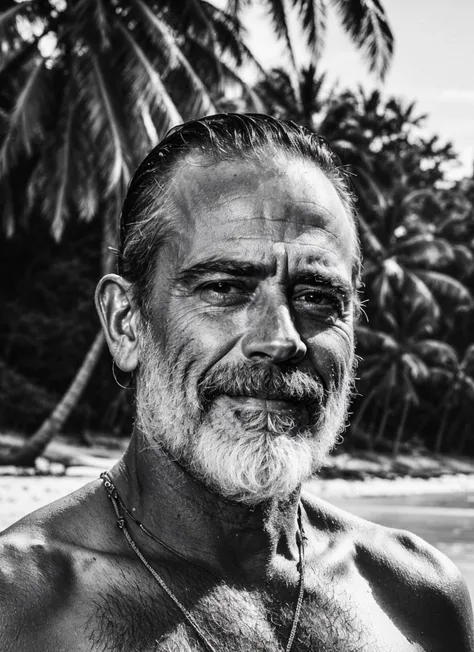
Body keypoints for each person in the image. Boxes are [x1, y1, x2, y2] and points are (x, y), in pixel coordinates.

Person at [0, 114, 472, 652]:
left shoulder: (419, 598)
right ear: (126, 322)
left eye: (318, 297)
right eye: (224, 287)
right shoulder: (22, 606)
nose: (279, 339)